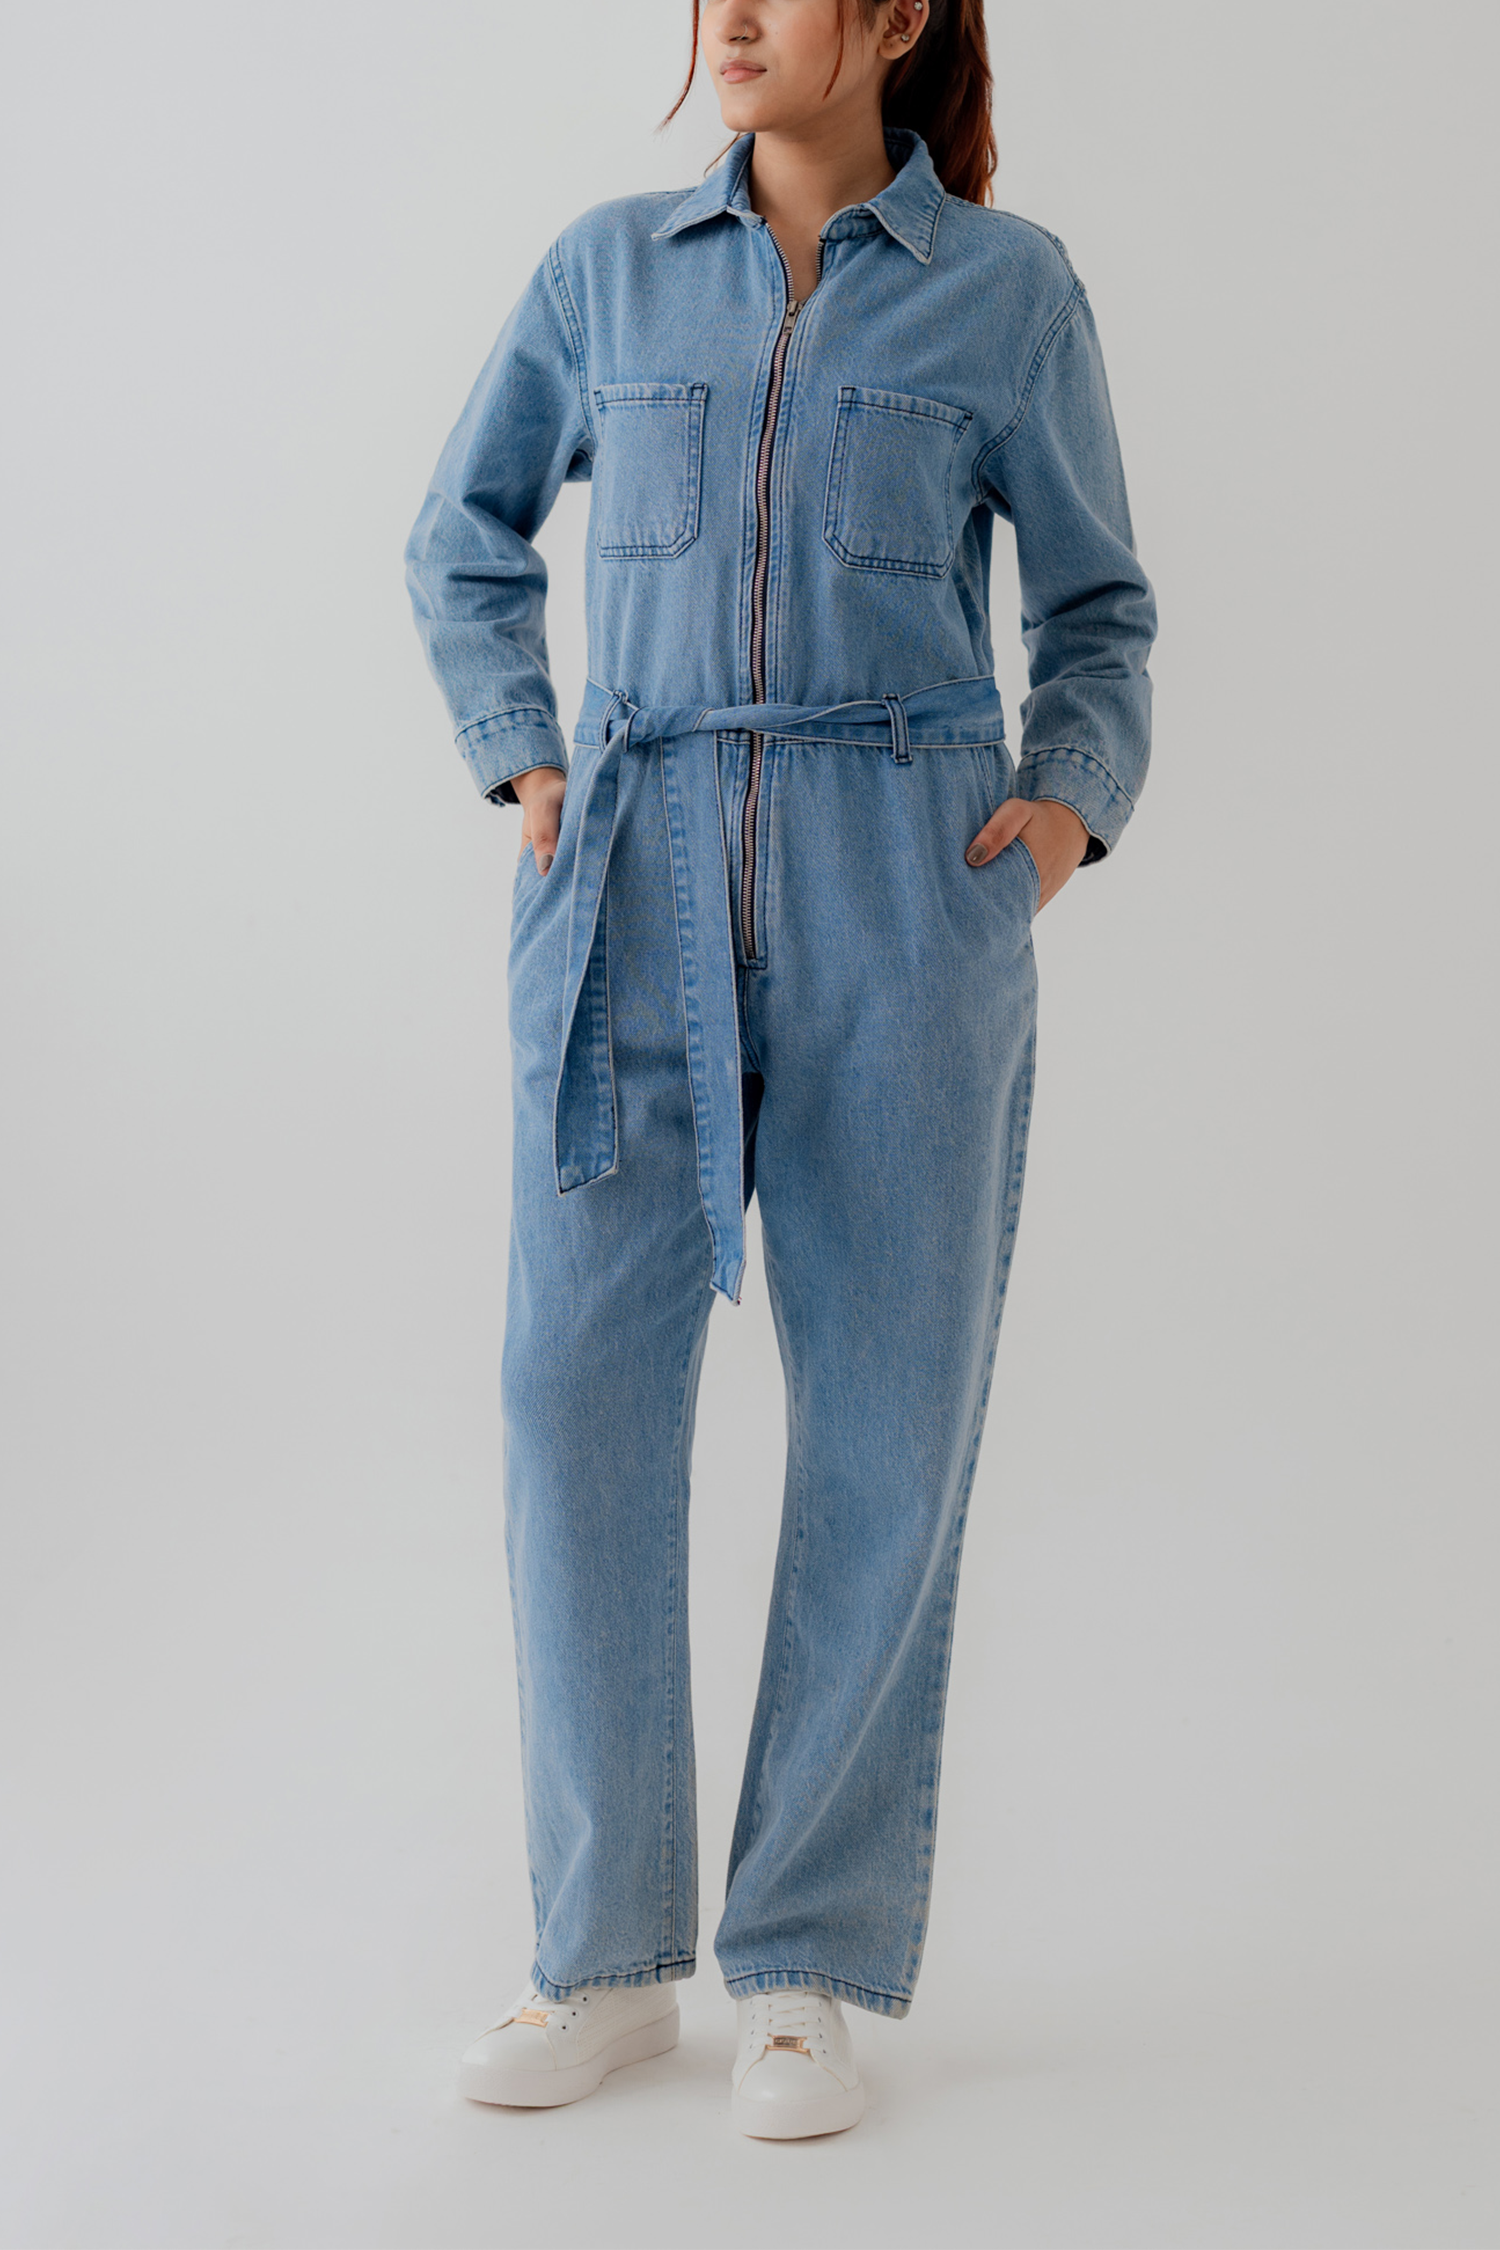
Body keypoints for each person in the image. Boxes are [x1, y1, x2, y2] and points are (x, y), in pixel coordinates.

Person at [404, 0, 1154, 2140]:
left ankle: (806, 1957)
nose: (731, 12)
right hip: (625, 875)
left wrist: (1060, 815)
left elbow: (1099, 611)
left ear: (896, 16)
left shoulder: (1009, 292)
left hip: (901, 900)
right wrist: (525, 756)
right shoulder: (605, 272)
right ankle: (601, 1955)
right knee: (571, 1395)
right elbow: (460, 533)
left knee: (887, 1418)